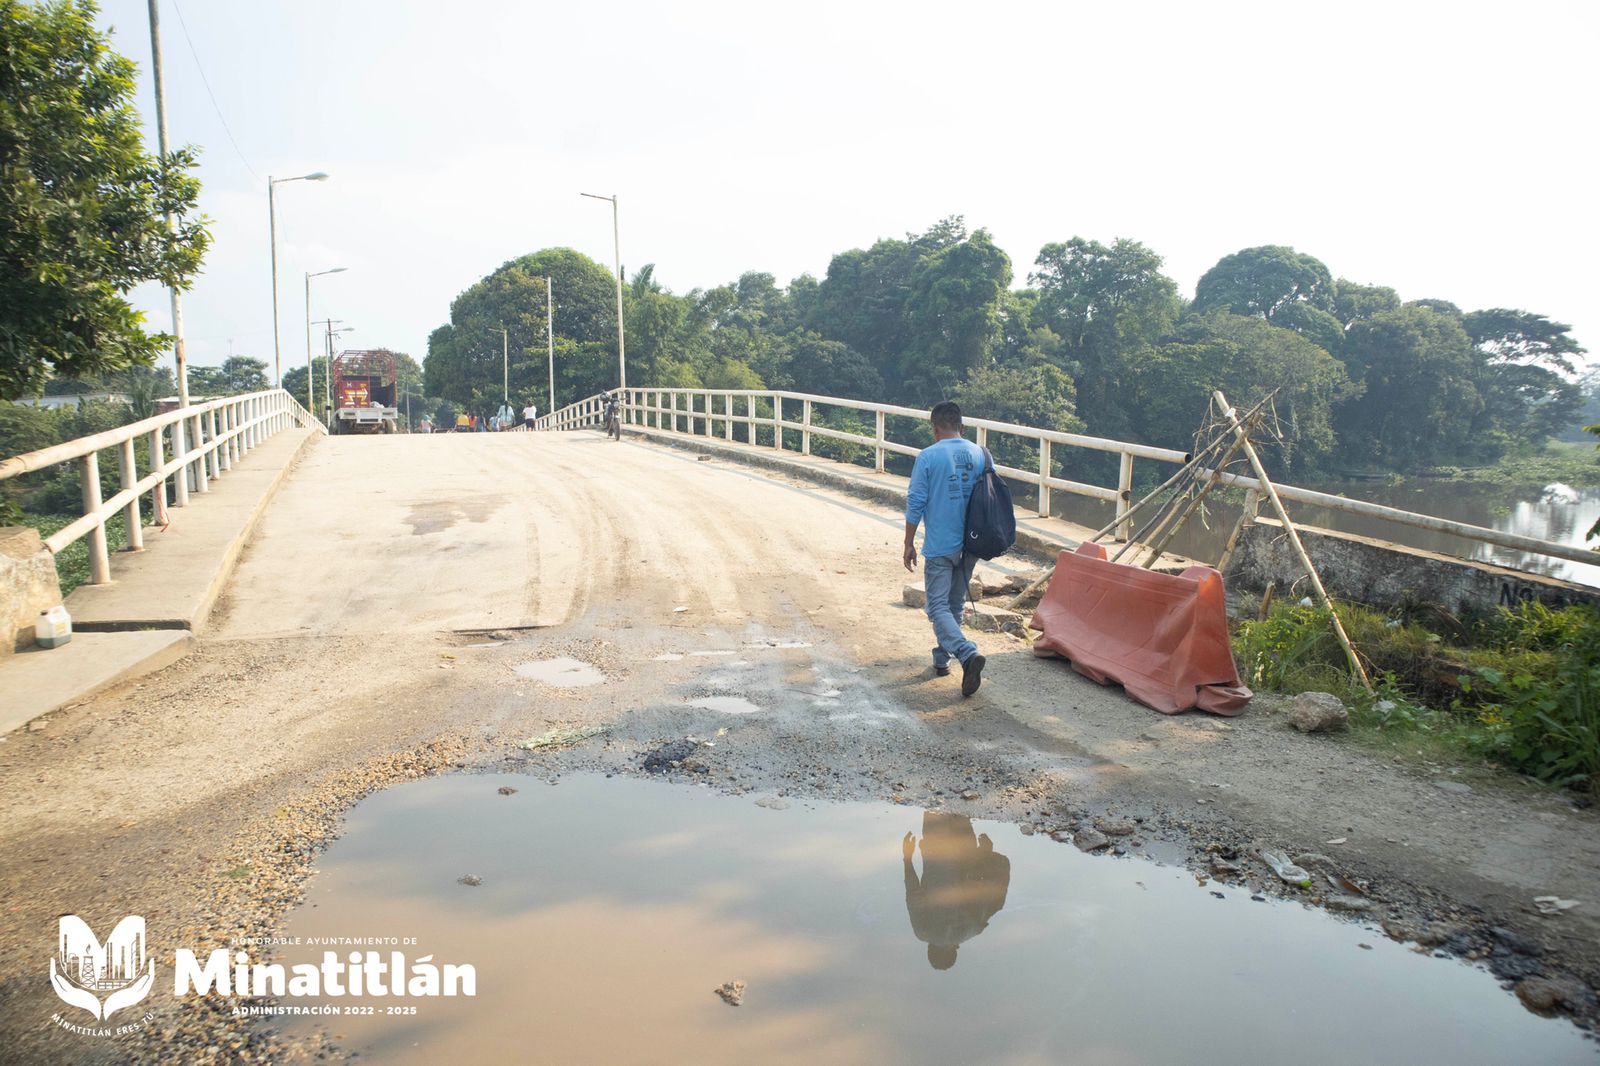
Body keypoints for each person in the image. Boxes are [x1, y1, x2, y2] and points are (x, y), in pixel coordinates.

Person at [904, 401, 987, 695]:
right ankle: (942, 659)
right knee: (953, 605)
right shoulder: (979, 453)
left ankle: (966, 652)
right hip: (973, 542)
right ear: (961, 427)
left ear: (935, 428)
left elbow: (916, 502)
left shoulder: (928, 456)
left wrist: (908, 542)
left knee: (936, 606)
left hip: (941, 544)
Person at [902, 812, 1011, 971]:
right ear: (930, 950)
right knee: (935, 801)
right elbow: (914, 895)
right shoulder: (923, 933)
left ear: (953, 951)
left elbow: (986, 897)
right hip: (937, 851)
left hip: (967, 854)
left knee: (960, 805)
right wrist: (907, 858)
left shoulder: (972, 930)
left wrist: (985, 853)